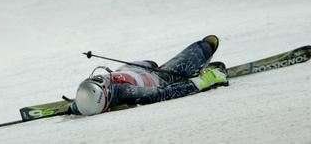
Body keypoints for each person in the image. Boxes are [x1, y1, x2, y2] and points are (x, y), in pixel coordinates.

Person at [69, 35, 229, 116]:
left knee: (207, 44)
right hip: (161, 77)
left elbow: (77, 106)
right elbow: (165, 93)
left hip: (138, 68)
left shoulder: (88, 90)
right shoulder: (129, 93)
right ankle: (203, 67)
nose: (102, 78)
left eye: (97, 80)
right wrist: (204, 81)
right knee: (204, 47)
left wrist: (71, 108)